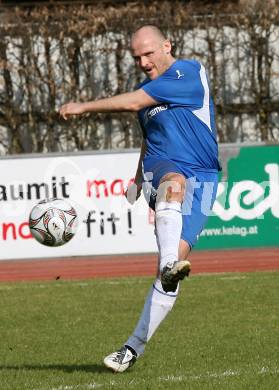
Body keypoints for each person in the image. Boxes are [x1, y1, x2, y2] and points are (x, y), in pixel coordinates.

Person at [59, 25, 221, 373]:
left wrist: (83, 106)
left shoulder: (189, 73)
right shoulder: (145, 93)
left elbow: (135, 103)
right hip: (163, 171)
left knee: (172, 268)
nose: (143, 62)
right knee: (172, 184)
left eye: (148, 53)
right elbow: (151, 139)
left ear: (167, 45)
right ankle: (167, 266)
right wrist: (137, 178)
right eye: (137, 57)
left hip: (205, 179)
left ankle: (130, 350)